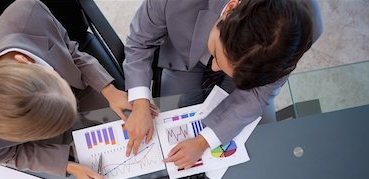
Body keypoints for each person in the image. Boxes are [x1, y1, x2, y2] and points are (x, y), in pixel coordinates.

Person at [0, 0, 132, 179]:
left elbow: (70, 51)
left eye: (59, 81)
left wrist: (109, 91)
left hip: (81, 86)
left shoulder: (31, 12)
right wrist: (68, 166)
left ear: (25, 61)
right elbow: (12, 154)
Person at [123, 0, 323, 169]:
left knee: (258, 146)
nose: (214, 68)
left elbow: (257, 96)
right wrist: (140, 103)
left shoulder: (302, 28)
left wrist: (203, 142)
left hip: (246, 82)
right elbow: (140, 42)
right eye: (218, 57)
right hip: (183, 57)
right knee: (171, 119)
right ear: (229, 9)